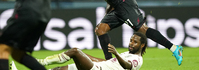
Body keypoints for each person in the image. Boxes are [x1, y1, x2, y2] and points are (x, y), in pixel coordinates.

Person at [74, 0, 183, 65]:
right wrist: (107, 15)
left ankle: (174, 48)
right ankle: (109, 63)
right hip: (117, 8)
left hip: (124, 4)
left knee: (143, 30)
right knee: (100, 29)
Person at [10, 32, 146, 70]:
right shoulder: (127, 54)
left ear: (142, 45)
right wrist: (87, 56)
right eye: (131, 40)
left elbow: (127, 67)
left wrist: (116, 53)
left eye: (135, 42)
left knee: (74, 51)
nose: (131, 43)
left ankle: (40, 62)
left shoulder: (137, 60)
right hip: (97, 66)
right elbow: (108, 63)